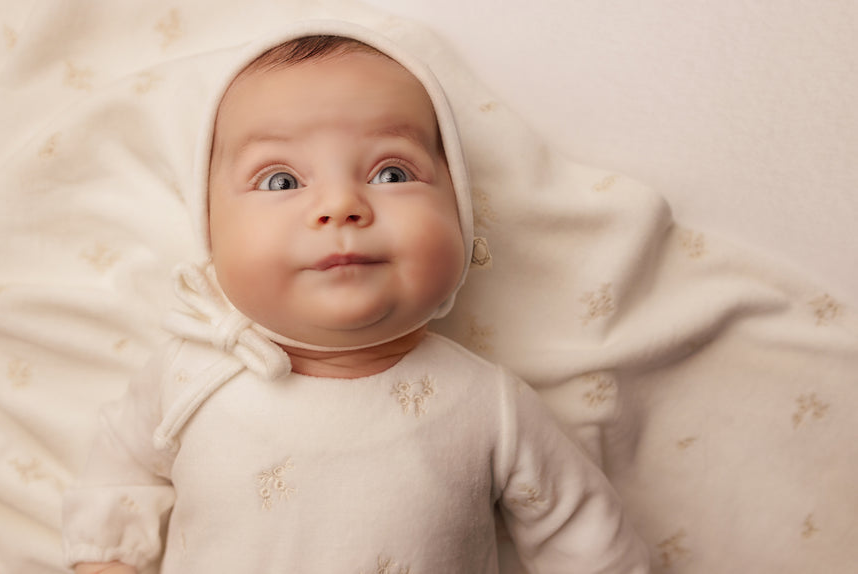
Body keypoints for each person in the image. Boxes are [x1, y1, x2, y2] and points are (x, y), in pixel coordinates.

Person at [62, 20, 650, 574]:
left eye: (391, 174)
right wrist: (107, 557)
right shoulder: (188, 372)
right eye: (281, 181)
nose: (341, 205)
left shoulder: (488, 405)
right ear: (210, 235)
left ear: (464, 222)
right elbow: (121, 467)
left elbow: (589, 538)